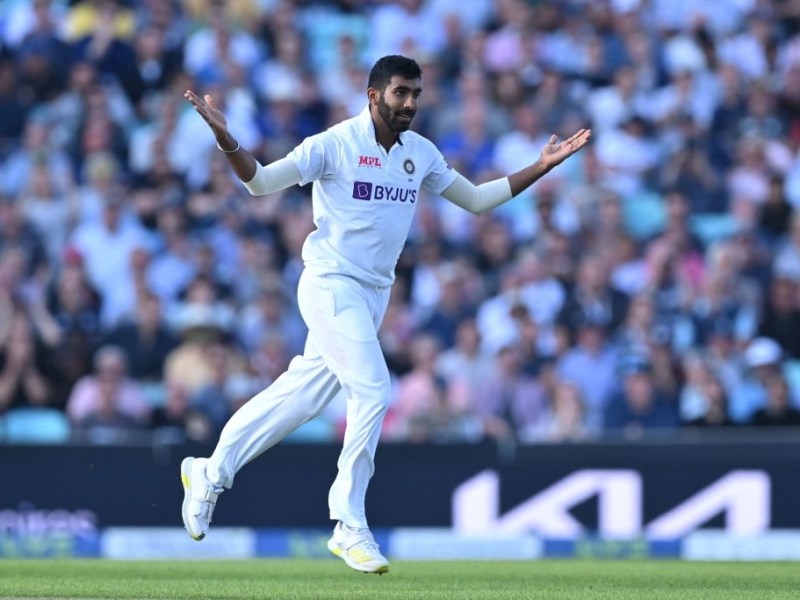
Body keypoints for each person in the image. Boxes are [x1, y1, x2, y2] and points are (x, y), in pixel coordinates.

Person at [180, 54, 591, 574]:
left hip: (373, 296)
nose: (411, 104)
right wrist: (226, 140)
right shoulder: (334, 143)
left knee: (301, 397)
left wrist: (542, 165)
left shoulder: (420, 152)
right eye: (401, 93)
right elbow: (260, 183)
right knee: (374, 389)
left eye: (416, 94)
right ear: (373, 95)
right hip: (329, 283)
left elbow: (480, 200)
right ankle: (348, 523)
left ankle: (209, 471)